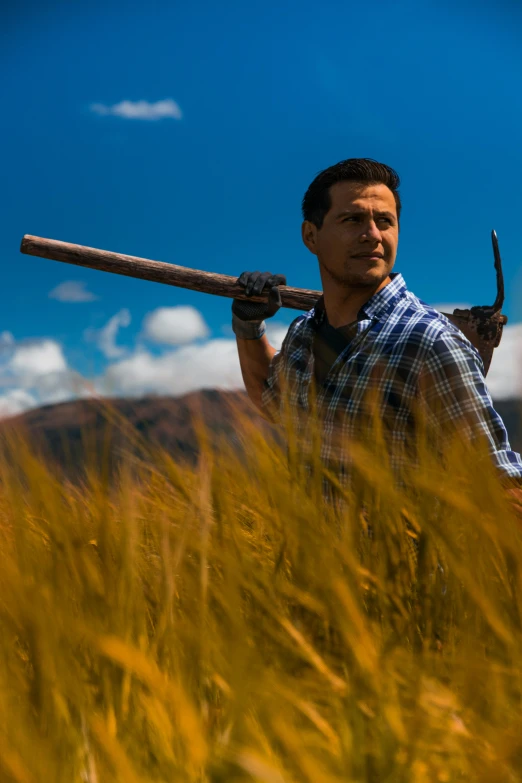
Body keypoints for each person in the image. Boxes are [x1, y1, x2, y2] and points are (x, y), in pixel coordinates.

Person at [231, 158, 522, 498]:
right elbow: (273, 401)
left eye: (385, 221)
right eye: (352, 219)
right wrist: (249, 324)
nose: (372, 235)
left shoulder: (428, 342)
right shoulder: (303, 333)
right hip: (312, 551)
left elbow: (498, 483)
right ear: (311, 235)